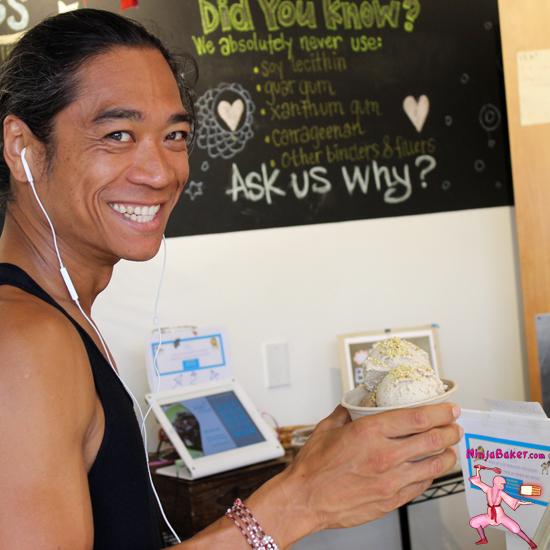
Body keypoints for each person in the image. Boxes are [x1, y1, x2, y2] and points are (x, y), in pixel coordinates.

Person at [0, 9, 462, 550]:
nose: (160, 172)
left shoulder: (59, 319)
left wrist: (312, 479)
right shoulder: (26, 342)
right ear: (22, 147)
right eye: (118, 134)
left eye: (175, 135)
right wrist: (299, 499)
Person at [469, 466, 536, 547]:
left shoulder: (501, 493)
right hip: (490, 514)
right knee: (474, 522)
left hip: (499, 514)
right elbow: (479, 483)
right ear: (496, 483)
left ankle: (529, 542)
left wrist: (524, 503)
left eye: (503, 484)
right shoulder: (488, 490)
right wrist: (477, 470)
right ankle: (483, 538)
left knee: (515, 528)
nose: (503, 486)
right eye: (501, 484)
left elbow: (510, 499)